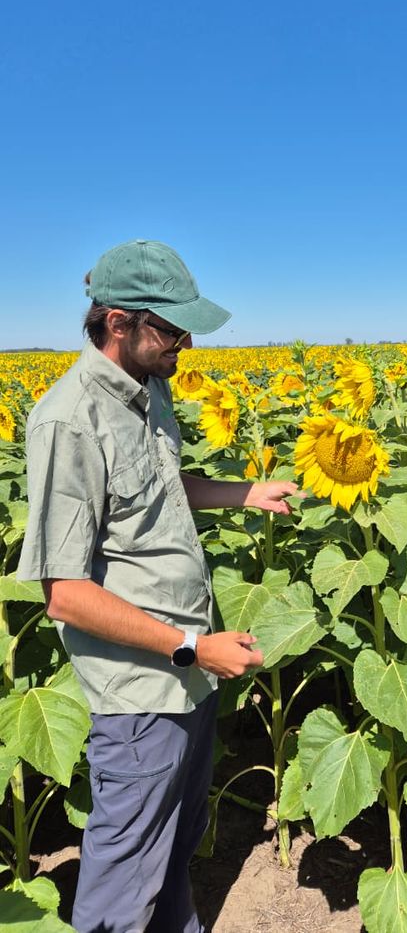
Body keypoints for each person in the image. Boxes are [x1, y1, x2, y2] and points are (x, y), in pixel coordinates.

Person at [17, 239, 297, 933]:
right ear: (118, 323)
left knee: (173, 846)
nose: (187, 341)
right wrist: (191, 648)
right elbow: (65, 592)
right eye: (171, 327)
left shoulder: (149, 389)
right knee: (125, 874)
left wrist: (244, 492)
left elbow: (159, 487)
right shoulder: (68, 419)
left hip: (188, 678)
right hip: (144, 691)